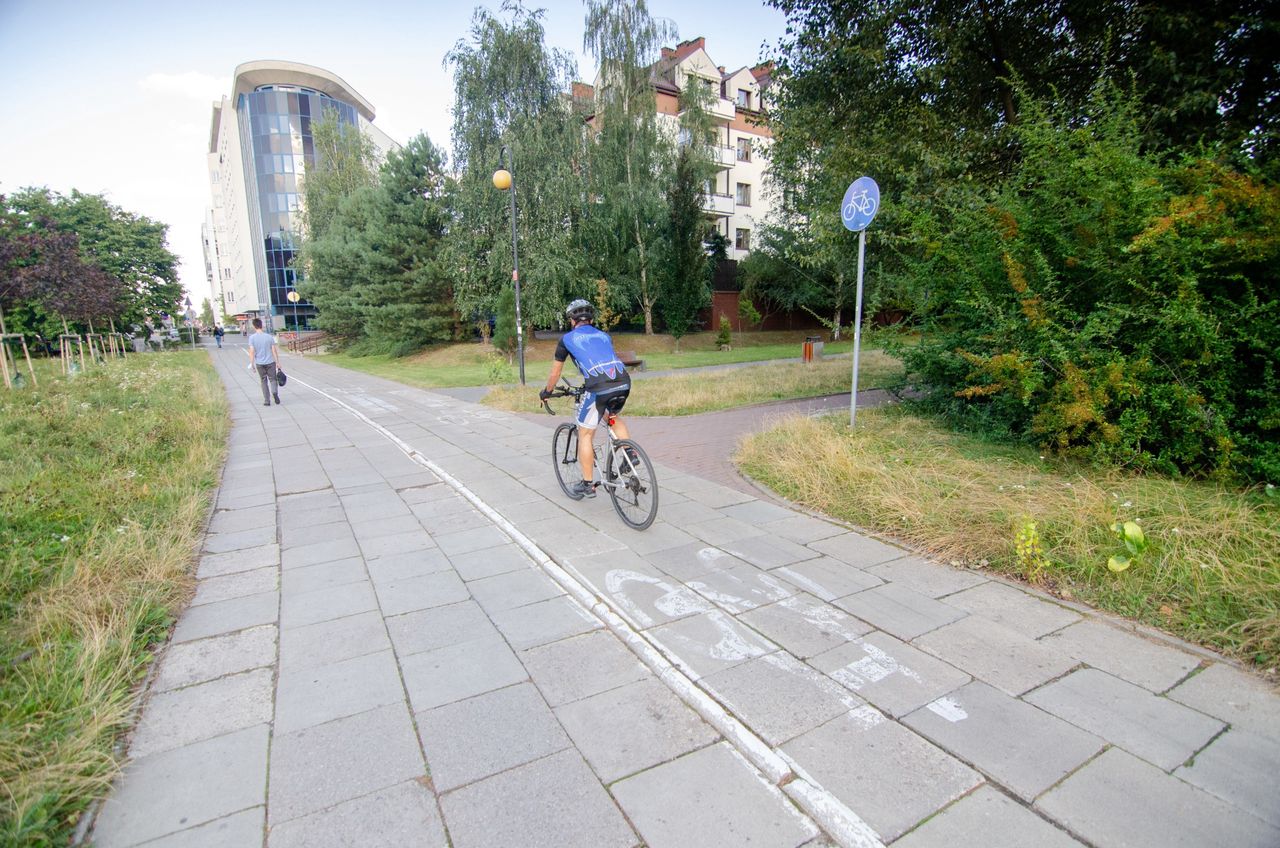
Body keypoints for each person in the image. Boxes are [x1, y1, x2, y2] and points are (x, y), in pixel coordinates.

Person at [540, 299, 631, 498]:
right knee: (611, 416)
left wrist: (547, 392)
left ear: (572, 321)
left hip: (599, 387)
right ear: (591, 319)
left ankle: (588, 483)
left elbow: (555, 373)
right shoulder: (604, 336)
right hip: (623, 381)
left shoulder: (567, 339)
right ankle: (629, 454)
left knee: (585, 434)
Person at [246, 318, 281, 407]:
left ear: (254, 326)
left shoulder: (252, 338)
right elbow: (274, 350)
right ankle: (274, 392)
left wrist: (252, 363)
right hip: (270, 362)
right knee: (273, 379)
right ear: (262, 325)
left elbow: (252, 351)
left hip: (260, 363)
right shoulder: (269, 337)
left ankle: (267, 400)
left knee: (263, 381)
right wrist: (277, 362)